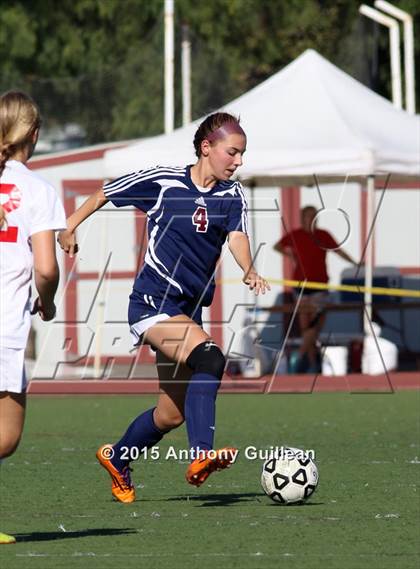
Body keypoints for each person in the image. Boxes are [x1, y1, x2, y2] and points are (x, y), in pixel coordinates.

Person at [58, 112, 270, 503]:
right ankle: (201, 456)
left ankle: (117, 458)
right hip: (153, 303)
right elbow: (107, 191)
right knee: (210, 357)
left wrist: (249, 268)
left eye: (242, 154)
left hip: (186, 313)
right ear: (207, 148)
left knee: (171, 415)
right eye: (233, 153)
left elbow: (237, 235)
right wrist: (68, 225)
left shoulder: (231, 194)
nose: (238, 161)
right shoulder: (164, 181)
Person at [0, 91, 66, 544]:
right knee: (6, 436)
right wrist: (48, 301)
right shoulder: (38, 191)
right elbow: (45, 267)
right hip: (4, 325)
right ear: (35, 135)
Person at [274, 205, 358, 373]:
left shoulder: (322, 234)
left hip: (320, 285)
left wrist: (355, 263)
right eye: (309, 216)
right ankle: (313, 365)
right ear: (302, 218)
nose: (312, 219)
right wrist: (291, 255)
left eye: (315, 216)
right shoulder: (296, 235)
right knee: (307, 327)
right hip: (301, 285)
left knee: (315, 326)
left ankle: (301, 361)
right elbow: (277, 246)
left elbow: (338, 251)